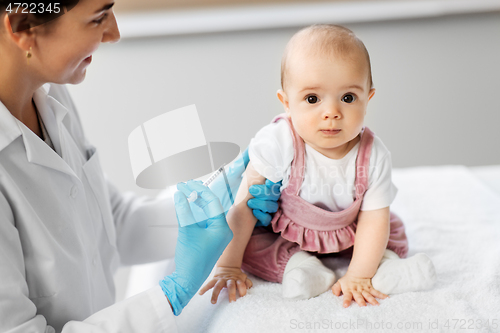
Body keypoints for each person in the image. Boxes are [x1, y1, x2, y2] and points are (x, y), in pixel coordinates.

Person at [0, 0, 281, 332]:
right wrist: (172, 293)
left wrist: (222, 199)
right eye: (98, 18)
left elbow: (108, 222)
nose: (114, 33)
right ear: (22, 26)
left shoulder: (50, 94)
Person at [200, 24, 437, 308]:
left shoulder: (374, 154)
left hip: (352, 233)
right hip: (288, 234)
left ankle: (386, 269)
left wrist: (359, 275)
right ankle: (301, 269)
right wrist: (228, 265)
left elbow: (373, 220)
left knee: (385, 231)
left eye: (348, 98)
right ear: (287, 103)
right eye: (312, 99)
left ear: (368, 98)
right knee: (251, 241)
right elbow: (245, 205)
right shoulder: (279, 140)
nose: (332, 113)